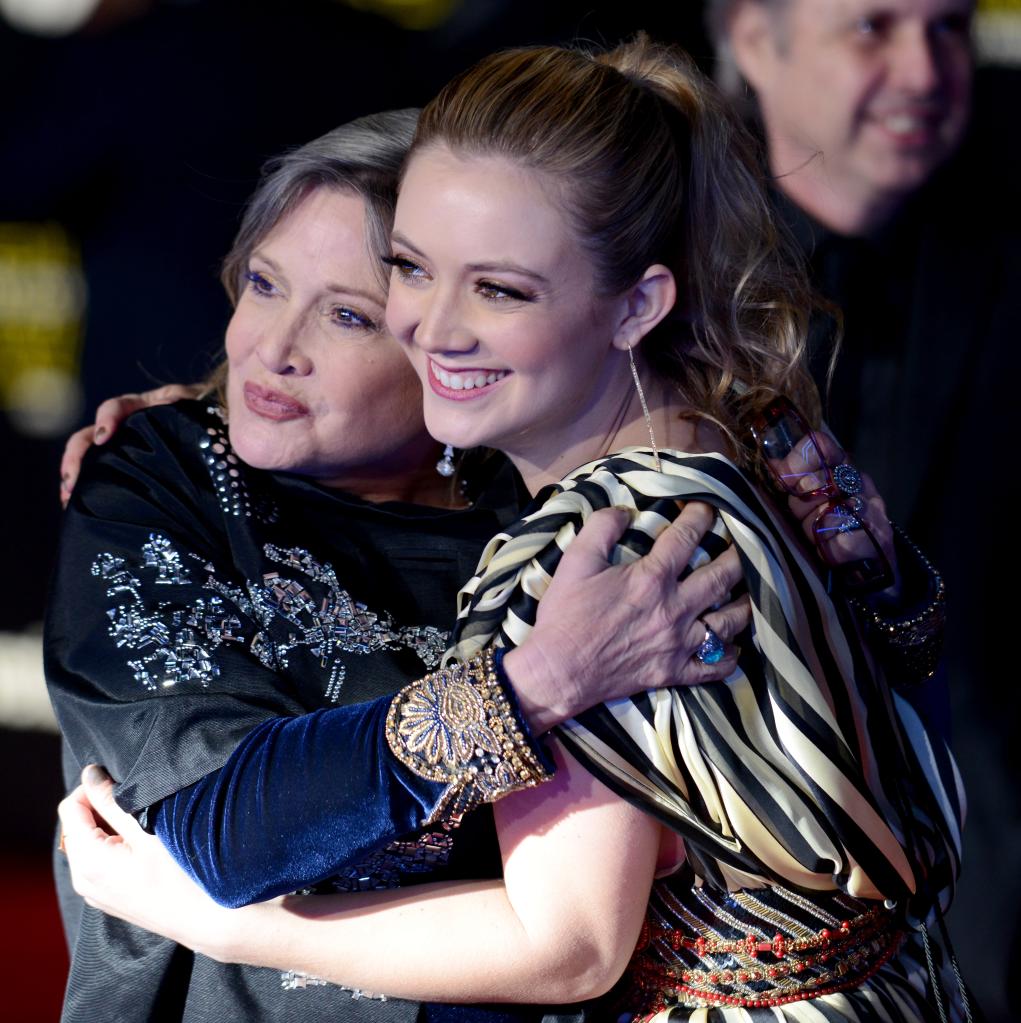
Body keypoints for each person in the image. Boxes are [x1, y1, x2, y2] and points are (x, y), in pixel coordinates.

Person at [60, 35, 968, 1022]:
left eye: (498, 289)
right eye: (411, 271)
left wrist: (219, 920)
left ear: (636, 305)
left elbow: (567, 946)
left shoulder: (589, 554)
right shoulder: (736, 446)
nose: (435, 325)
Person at [45, 107, 753, 1023]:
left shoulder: (563, 516)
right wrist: (531, 687)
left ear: (449, 343)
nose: (272, 347)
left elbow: (572, 941)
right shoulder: (164, 470)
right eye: (262, 283)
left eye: (348, 315)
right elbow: (208, 832)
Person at [708, 2, 1020, 1016]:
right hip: (744, 877)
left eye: (947, 26)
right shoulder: (647, 245)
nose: (927, 71)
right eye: (873, 27)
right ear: (755, 39)